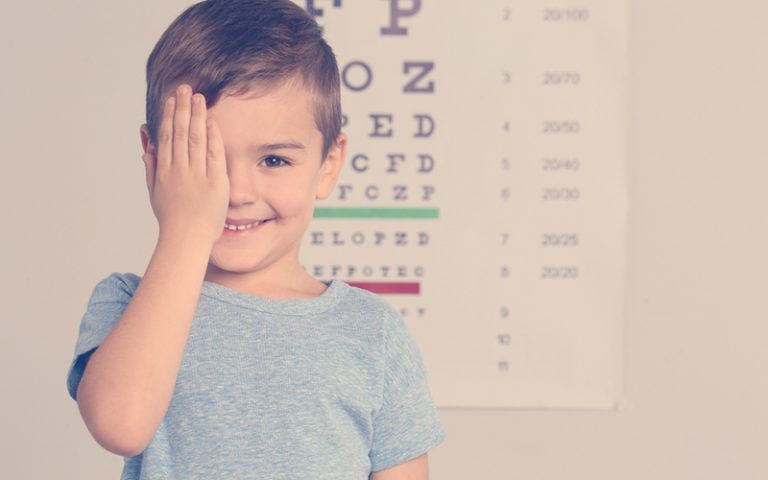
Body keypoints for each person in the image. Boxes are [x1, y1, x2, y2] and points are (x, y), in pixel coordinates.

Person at [65, 1, 446, 478]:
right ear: (154, 156)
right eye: (204, 159)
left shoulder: (374, 334)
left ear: (328, 164)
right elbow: (121, 424)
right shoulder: (126, 303)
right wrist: (185, 228)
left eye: (274, 161)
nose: (237, 193)